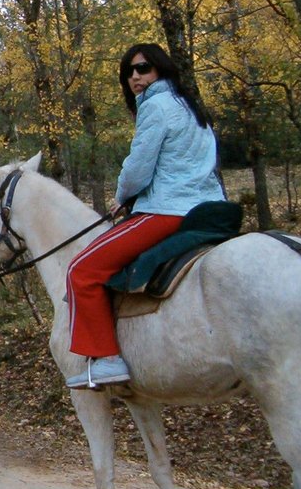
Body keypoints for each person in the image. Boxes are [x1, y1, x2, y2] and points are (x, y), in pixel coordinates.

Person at [64, 43, 225, 390]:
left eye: (143, 68)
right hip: (208, 207)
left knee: (82, 270)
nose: (135, 77)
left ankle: (108, 359)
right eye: (129, 72)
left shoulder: (155, 106)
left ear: (160, 69)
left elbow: (138, 169)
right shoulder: (189, 106)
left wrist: (122, 197)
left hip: (168, 209)